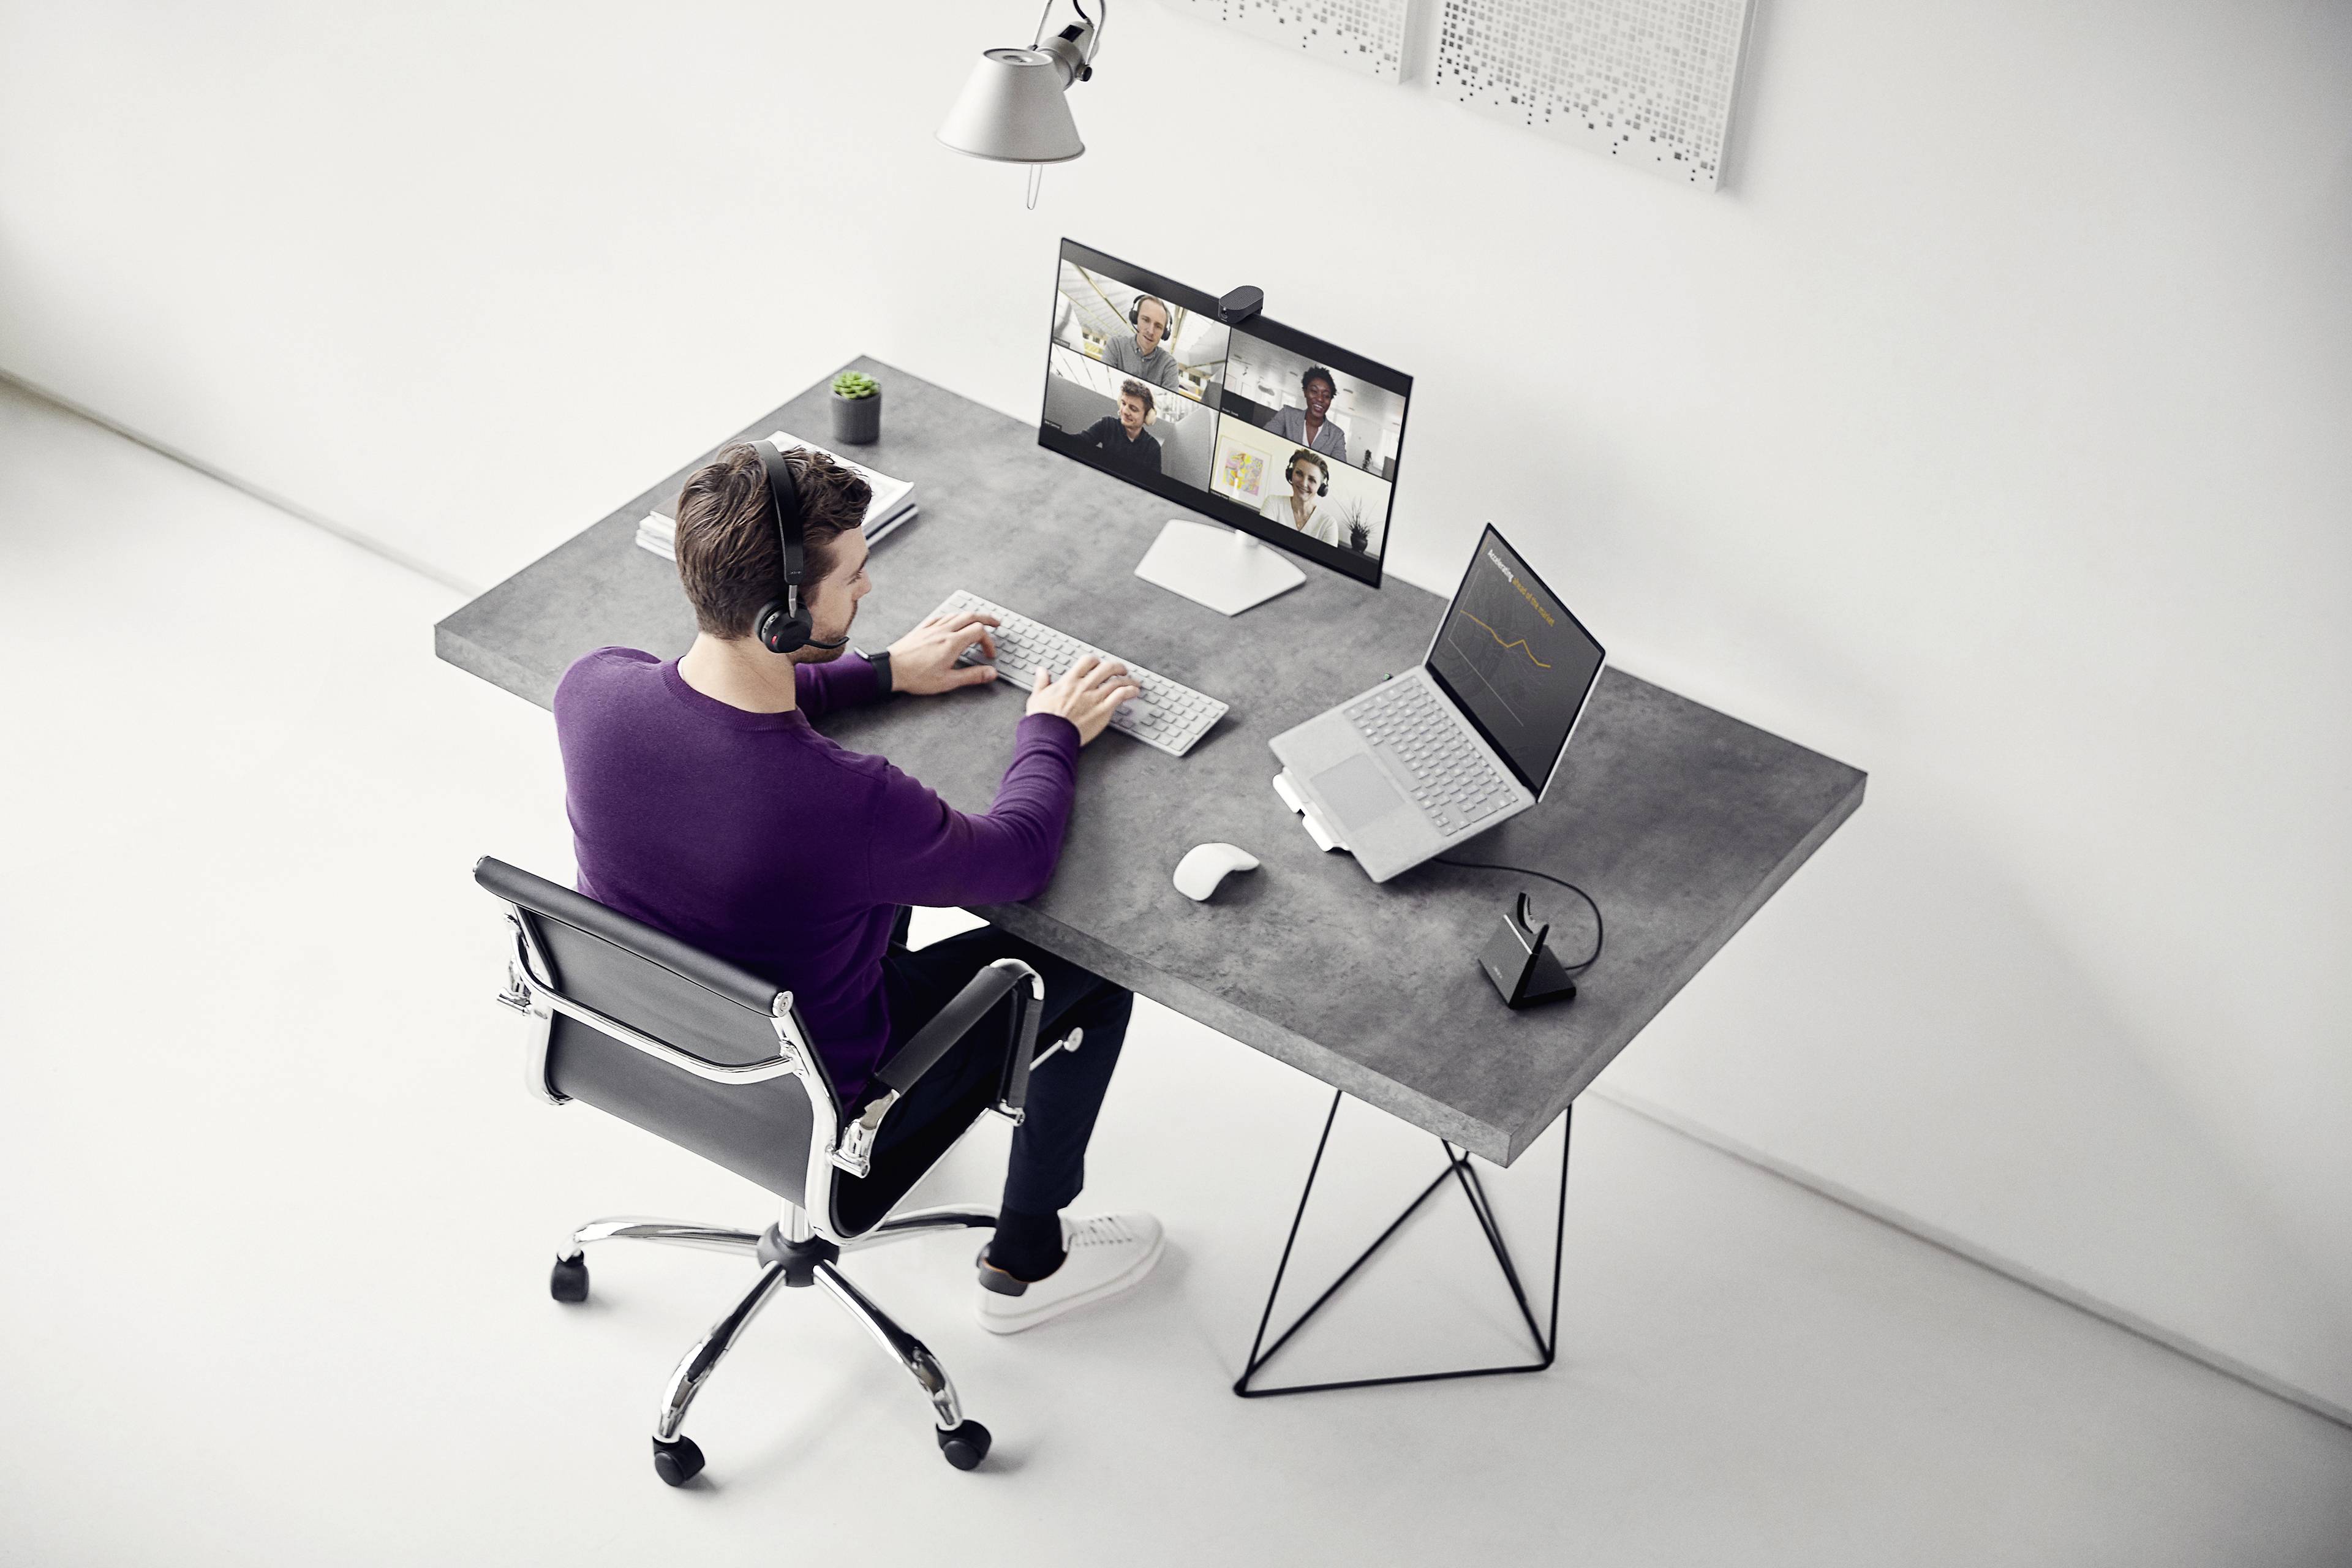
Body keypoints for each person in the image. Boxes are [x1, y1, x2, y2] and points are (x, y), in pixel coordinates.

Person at [551, 442, 1162, 1334]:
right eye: (854, 578)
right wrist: (1051, 730)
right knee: (1087, 971)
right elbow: (1018, 857)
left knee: (866, 894)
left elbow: (727, 701)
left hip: (642, 1048)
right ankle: (1031, 1255)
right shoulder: (849, 803)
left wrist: (881, 671)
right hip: (835, 1114)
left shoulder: (592, 690)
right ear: (787, 621)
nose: (868, 592)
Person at [1075, 380, 1164, 479]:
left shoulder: (1153, 447)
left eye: (1133, 409)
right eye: (1124, 403)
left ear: (1147, 417)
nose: (1125, 411)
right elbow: (1078, 441)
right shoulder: (1107, 424)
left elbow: (1154, 483)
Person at [1264, 366, 1349, 462]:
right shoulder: (1287, 415)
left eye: (1326, 396)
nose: (1320, 399)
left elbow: (1339, 469)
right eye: (1314, 391)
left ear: (1330, 400)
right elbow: (1264, 442)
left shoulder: (1337, 436)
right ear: (1305, 392)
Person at [1099, 293, 1182, 390]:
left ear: (1164, 333)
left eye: (1158, 326)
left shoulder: (1169, 365)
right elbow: (1104, 384)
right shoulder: (1116, 346)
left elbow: (1167, 404)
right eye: (1146, 320)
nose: (1151, 331)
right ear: (1135, 318)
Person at [1259, 448, 1340, 546]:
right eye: (1299, 474)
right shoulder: (1273, 503)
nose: (1304, 483)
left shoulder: (1328, 524)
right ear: (1290, 474)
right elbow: (1261, 546)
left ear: (1321, 488)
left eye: (1312, 480)